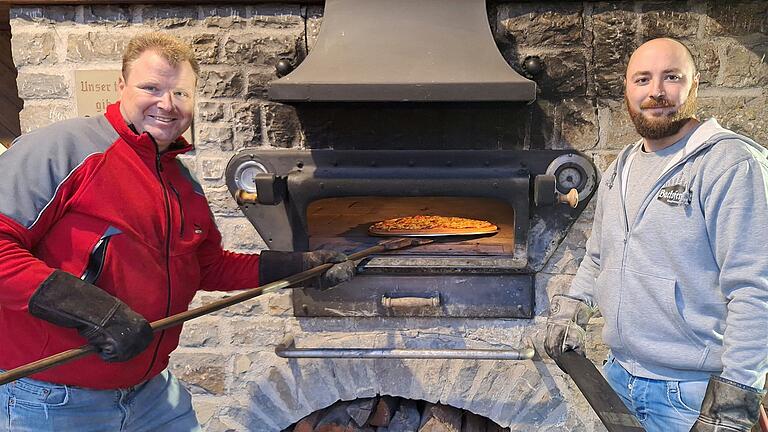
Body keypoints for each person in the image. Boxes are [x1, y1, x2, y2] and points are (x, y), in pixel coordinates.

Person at [0, 32, 355, 431]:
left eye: (181, 94)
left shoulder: (181, 182)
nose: (167, 105)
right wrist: (92, 310)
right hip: (54, 398)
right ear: (121, 87)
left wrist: (297, 266)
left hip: (151, 394)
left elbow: (206, 266)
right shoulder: (62, 150)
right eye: (151, 88)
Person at [544, 37, 768, 432]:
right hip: (617, 378)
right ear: (627, 90)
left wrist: (735, 400)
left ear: (694, 83)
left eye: (671, 77)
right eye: (642, 79)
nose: (656, 91)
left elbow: (755, 288)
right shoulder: (622, 167)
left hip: (690, 396)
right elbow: (599, 256)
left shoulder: (730, 165)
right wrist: (571, 309)